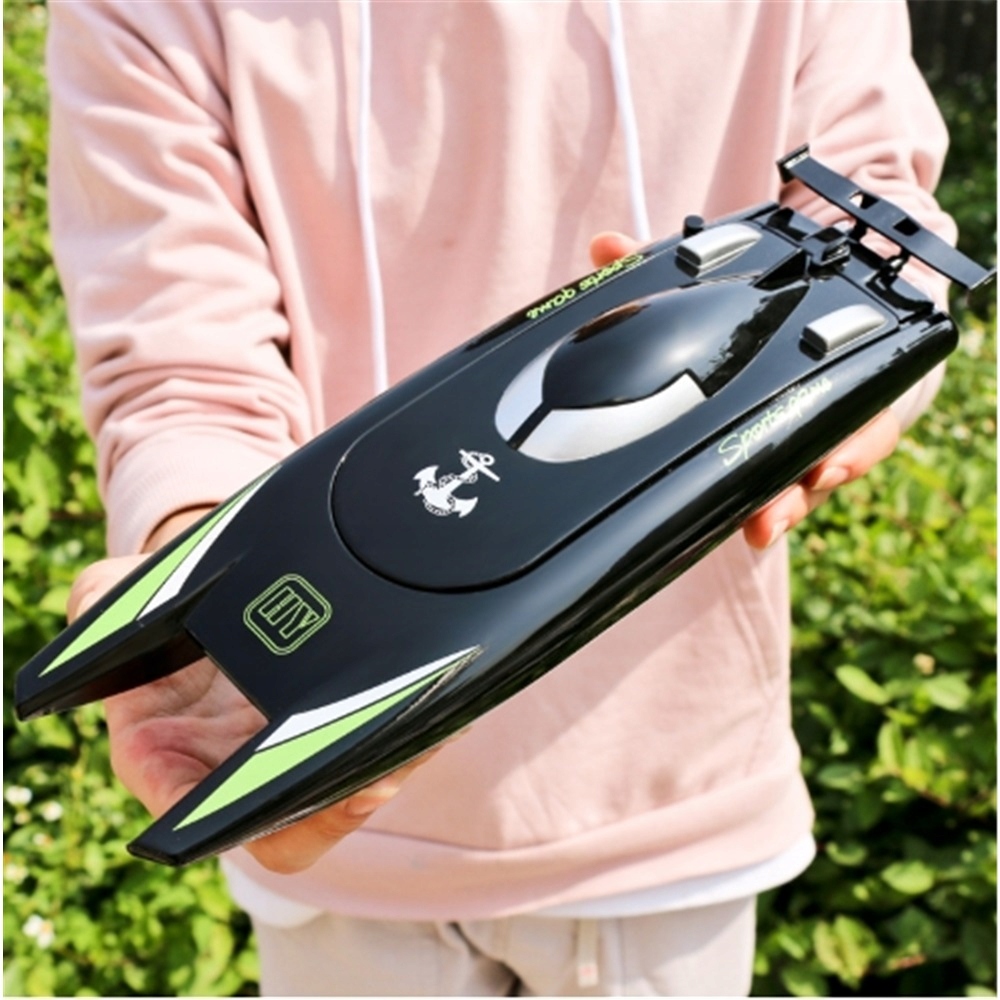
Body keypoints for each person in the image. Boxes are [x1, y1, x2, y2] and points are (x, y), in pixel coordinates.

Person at [46, 1, 956, 995]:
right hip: (324, 836)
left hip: (668, 806)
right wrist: (199, 546)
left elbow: (883, 222)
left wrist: (856, 392)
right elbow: (178, 338)